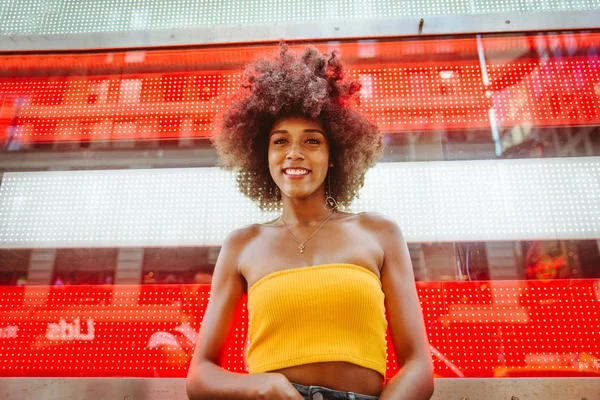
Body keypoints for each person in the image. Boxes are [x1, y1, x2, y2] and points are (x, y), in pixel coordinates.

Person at [186, 43, 434, 400]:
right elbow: (200, 377)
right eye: (280, 141)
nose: (294, 153)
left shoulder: (380, 234)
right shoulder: (242, 245)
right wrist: (263, 385)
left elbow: (419, 368)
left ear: (335, 153)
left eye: (312, 141)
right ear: (262, 154)